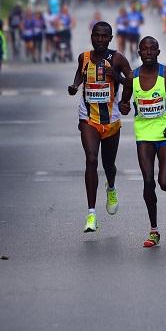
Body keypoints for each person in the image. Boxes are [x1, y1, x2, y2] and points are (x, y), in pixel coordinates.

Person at [67, 22, 133, 234]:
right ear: (92, 37)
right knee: (91, 159)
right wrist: (75, 85)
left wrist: (123, 95)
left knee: (109, 165)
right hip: (88, 117)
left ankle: (111, 187)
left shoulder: (118, 59)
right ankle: (91, 214)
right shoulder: (84, 57)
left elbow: (131, 80)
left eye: (105, 36)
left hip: (111, 120)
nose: (100, 40)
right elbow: (80, 74)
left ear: (111, 38)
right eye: (97, 36)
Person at [131, 36, 166, 248]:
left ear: (158, 51)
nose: (148, 53)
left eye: (152, 49)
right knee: (148, 181)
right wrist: (124, 105)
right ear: (139, 53)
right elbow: (125, 100)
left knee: (165, 184)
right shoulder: (132, 77)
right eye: (144, 49)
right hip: (143, 135)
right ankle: (154, 230)